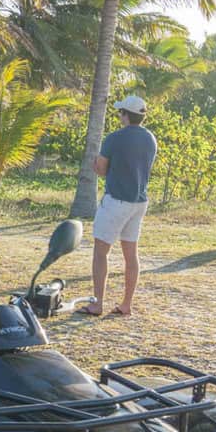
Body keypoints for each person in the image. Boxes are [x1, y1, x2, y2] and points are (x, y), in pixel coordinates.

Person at [81, 95, 158, 318]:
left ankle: (97, 304)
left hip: (116, 201)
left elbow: (102, 169)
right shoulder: (150, 138)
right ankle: (126, 304)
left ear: (125, 114)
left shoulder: (114, 138)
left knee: (100, 252)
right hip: (139, 201)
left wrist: (95, 164)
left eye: (120, 112)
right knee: (130, 254)